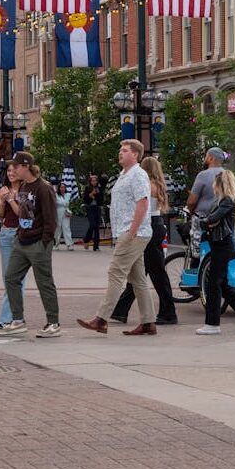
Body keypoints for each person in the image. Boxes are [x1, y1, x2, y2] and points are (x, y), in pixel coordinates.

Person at [78, 139, 157, 336]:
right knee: (137, 279)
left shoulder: (138, 175)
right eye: (120, 150)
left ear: (135, 155)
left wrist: (132, 231)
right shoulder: (124, 175)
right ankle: (148, 322)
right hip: (128, 231)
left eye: (125, 150)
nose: (120, 153)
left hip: (133, 233)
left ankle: (101, 319)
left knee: (115, 273)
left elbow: (143, 203)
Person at [0, 151, 61, 338]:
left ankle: (53, 323)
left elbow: (51, 219)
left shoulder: (43, 188)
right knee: (10, 277)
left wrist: (45, 241)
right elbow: (22, 213)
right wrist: (19, 235)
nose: (13, 170)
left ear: (26, 167)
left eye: (16, 166)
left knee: (44, 283)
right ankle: (17, 320)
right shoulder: (24, 187)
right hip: (22, 240)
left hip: (38, 242)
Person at [111, 155, 178, 326]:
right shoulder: (158, 185)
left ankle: (168, 312)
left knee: (153, 272)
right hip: (156, 225)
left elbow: (139, 205)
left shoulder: (147, 185)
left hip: (149, 226)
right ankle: (120, 310)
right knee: (141, 271)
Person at [197, 169, 235, 335]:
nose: (213, 187)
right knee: (221, 283)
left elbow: (213, 218)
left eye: (215, 184)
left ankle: (213, 324)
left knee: (213, 284)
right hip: (219, 245)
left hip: (222, 246)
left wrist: (205, 221)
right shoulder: (224, 201)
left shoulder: (227, 201)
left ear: (220, 184)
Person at [0, 161, 26, 329]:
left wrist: (12, 199)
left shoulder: (27, 190)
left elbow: (22, 214)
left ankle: (8, 317)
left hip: (21, 234)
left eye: (14, 170)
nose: (11, 173)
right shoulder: (4, 190)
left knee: (17, 277)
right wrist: (1, 201)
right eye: (9, 171)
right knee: (8, 276)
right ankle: (14, 315)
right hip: (6, 234)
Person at [186, 147, 227, 218]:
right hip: (223, 217)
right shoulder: (227, 175)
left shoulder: (203, 175)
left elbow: (192, 201)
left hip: (204, 218)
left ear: (211, 158)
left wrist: (190, 211)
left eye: (206, 156)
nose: (205, 159)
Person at [81, 173, 104, 251]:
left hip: (97, 208)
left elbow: (101, 199)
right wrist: (90, 195)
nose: (94, 182)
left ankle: (96, 246)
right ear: (90, 181)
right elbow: (85, 199)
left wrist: (96, 195)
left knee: (97, 226)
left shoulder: (99, 188)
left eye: (95, 181)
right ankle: (86, 239)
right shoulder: (87, 188)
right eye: (92, 181)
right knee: (92, 225)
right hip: (90, 208)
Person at [52, 182, 72, 250]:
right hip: (58, 212)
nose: (62, 189)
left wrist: (69, 212)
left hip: (66, 212)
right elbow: (56, 204)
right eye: (61, 187)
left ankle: (69, 244)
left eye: (64, 187)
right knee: (58, 229)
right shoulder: (56, 195)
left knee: (67, 228)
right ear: (59, 188)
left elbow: (68, 204)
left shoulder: (68, 195)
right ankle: (56, 244)